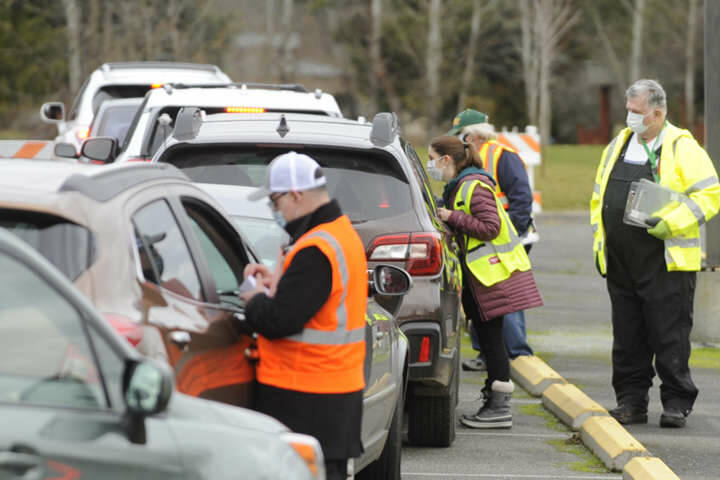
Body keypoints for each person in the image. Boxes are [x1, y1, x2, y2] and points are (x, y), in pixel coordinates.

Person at [590, 79, 720, 428]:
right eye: (628, 110)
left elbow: (709, 196)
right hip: (621, 261)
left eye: (636, 112)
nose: (629, 118)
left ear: (658, 113)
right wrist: (601, 241)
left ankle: (677, 402)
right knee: (628, 336)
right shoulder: (619, 144)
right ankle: (631, 403)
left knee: (669, 334)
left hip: (666, 260)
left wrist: (672, 222)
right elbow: (599, 195)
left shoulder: (683, 147)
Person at [238, 151, 367, 478]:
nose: (274, 210)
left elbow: (279, 320)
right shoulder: (337, 233)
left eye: (274, 201)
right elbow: (314, 301)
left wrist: (252, 298)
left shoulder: (316, 248)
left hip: (308, 394)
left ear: (295, 195)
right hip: (330, 393)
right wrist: (275, 283)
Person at [426, 135, 543, 429]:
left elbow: (489, 227)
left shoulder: (472, 186)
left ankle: (499, 406)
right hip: (481, 279)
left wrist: (453, 216)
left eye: (432, 158)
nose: (431, 164)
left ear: (447, 160)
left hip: (488, 278)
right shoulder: (460, 186)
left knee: (493, 342)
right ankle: (494, 401)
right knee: (491, 340)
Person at [448, 109, 536, 370]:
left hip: (504, 239)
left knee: (504, 298)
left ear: (474, 136)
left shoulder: (502, 156)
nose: (459, 143)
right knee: (485, 298)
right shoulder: (473, 158)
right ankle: (490, 354)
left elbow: (521, 198)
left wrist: (513, 236)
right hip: (484, 238)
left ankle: (516, 353)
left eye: (462, 137)